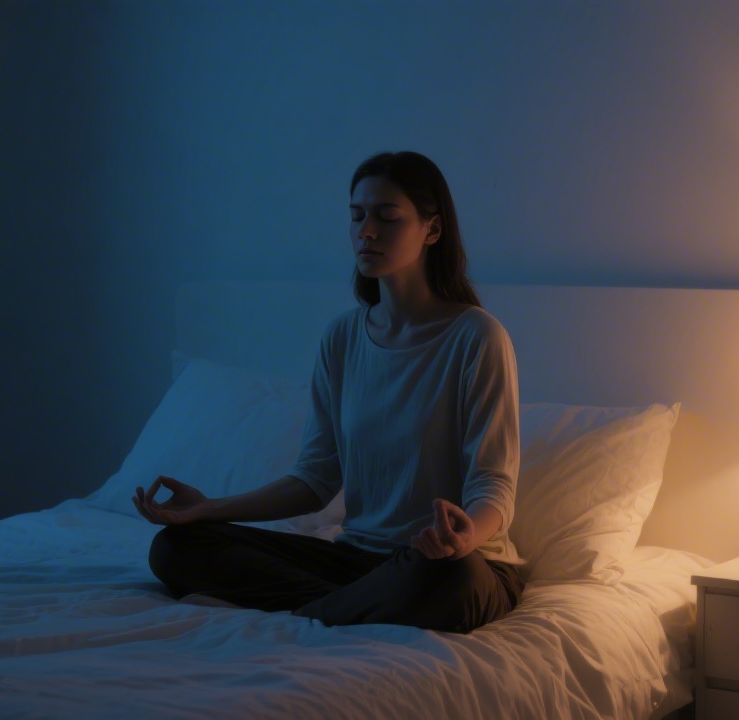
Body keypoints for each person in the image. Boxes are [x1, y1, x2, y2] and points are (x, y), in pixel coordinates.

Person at [134, 151, 523, 633]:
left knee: (451, 580)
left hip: (448, 563)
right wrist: (208, 508)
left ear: (433, 230)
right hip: (360, 561)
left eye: (386, 216)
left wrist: (465, 538)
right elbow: (315, 481)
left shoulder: (477, 338)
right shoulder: (342, 338)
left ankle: (325, 613)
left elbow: (494, 486)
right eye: (357, 216)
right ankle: (346, 608)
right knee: (176, 548)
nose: (366, 231)